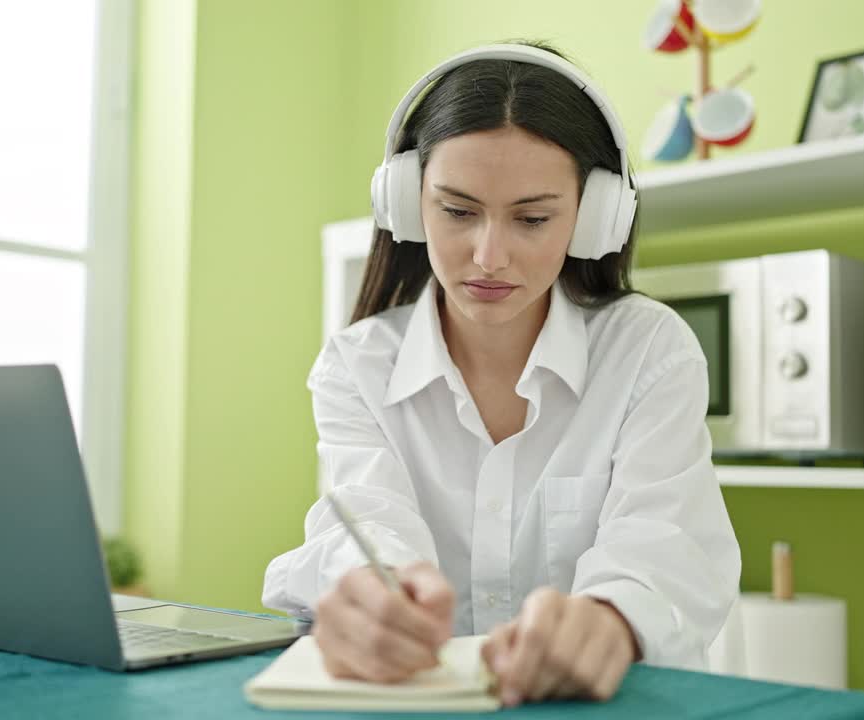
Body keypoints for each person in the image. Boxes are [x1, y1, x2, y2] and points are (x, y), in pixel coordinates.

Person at [263, 40, 740, 707]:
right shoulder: (357, 367)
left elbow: (666, 545)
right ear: (405, 202)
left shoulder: (649, 352)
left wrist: (610, 618)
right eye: (457, 212)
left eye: (533, 218)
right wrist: (377, 599)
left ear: (594, 218)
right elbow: (369, 521)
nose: (489, 256)